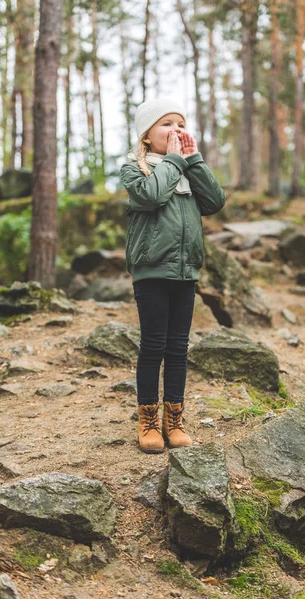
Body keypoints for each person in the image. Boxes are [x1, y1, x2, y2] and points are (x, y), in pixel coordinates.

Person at [120, 97, 226, 454]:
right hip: (151, 271)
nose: (176, 131)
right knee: (153, 346)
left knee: (179, 348)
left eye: (181, 125)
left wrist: (192, 160)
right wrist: (176, 161)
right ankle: (148, 419)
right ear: (147, 136)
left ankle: (174, 418)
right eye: (167, 124)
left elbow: (214, 201)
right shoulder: (135, 170)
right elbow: (151, 196)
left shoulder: (185, 169)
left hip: (185, 271)